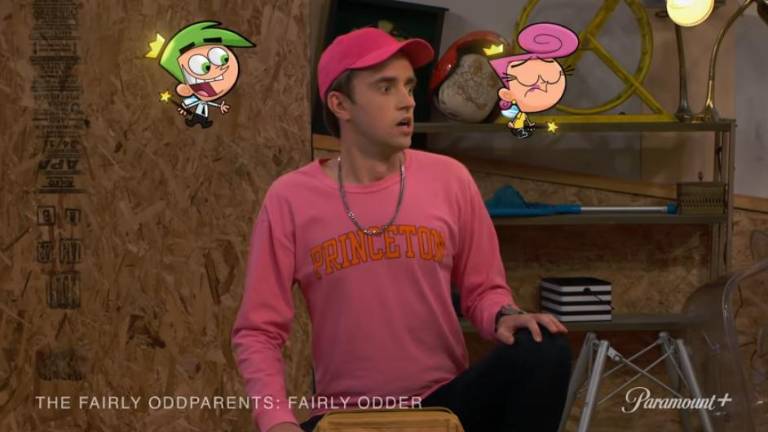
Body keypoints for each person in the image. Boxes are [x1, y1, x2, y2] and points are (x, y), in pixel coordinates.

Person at [231, 27, 572, 432]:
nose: (407, 101)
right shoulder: (290, 198)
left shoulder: (450, 179)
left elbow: (484, 291)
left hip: (443, 406)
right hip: (348, 417)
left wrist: (505, 314)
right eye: (385, 87)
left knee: (544, 348)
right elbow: (258, 331)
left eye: (409, 86)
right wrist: (276, 422)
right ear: (340, 104)